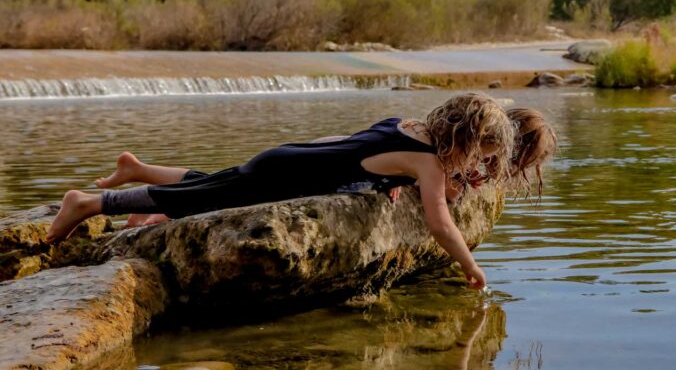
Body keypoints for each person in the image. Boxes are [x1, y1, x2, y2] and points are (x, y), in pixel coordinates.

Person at [45, 93, 517, 290]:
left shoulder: (408, 127)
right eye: (478, 152)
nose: (475, 163)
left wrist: (385, 180)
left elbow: (353, 147)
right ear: (462, 141)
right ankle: (88, 204)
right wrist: (470, 266)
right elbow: (439, 220)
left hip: (289, 157)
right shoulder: (430, 163)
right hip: (287, 175)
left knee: (212, 186)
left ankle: (135, 169)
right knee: (202, 199)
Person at [95, 108, 558, 228]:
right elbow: (443, 197)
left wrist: (391, 177)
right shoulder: (459, 148)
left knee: (226, 182)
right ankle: (139, 202)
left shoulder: (452, 127)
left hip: (326, 156)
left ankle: (139, 168)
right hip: (325, 167)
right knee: (224, 191)